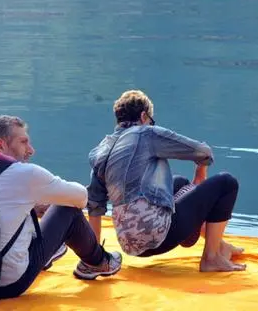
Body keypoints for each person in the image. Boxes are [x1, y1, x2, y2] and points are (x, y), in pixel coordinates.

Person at [0, 115, 122, 299]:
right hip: (5, 285)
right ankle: (99, 262)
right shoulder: (26, 174)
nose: (31, 150)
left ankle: (54, 252)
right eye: (23, 142)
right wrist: (42, 197)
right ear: (0, 144)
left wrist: (32, 202)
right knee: (66, 208)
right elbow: (81, 198)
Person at [86, 90, 245, 272]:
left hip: (131, 246)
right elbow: (203, 152)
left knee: (180, 183)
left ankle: (220, 245)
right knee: (227, 182)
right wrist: (201, 173)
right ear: (144, 116)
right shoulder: (146, 134)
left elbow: (95, 207)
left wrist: (94, 258)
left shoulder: (101, 151)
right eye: (151, 121)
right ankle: (211, 257)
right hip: (159, 236)